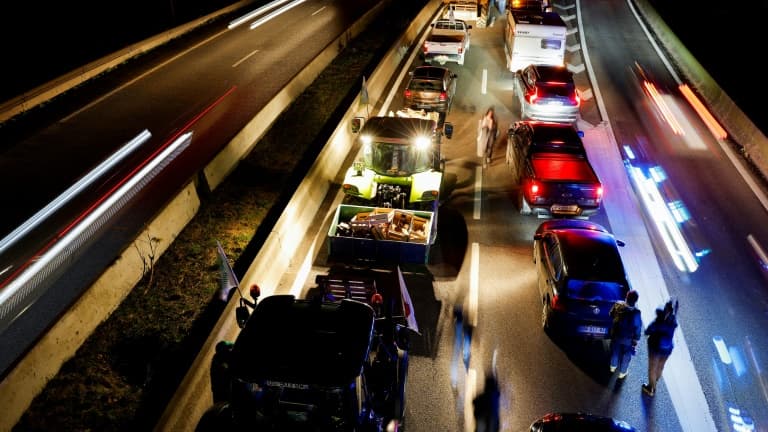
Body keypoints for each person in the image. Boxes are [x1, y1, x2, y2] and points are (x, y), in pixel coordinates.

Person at [642, 299, 679, 396]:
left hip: (656, 348)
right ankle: (655, 381)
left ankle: (651, 389)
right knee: (660, 366)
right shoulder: (673, 321)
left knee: (652, 368)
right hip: (667, 348)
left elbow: (648, 330)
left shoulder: (659, 321)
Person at [609, 290, 642, 379]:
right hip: (628, 339)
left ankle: (613, 366)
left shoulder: (618, 304)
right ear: (635, 301)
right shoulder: (636, 313)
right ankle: (622, 372)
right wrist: (636, 339)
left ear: (626, 297)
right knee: (626, 355)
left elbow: (611, 314)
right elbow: (638, 327)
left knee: (615, 351)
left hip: (616, 335)